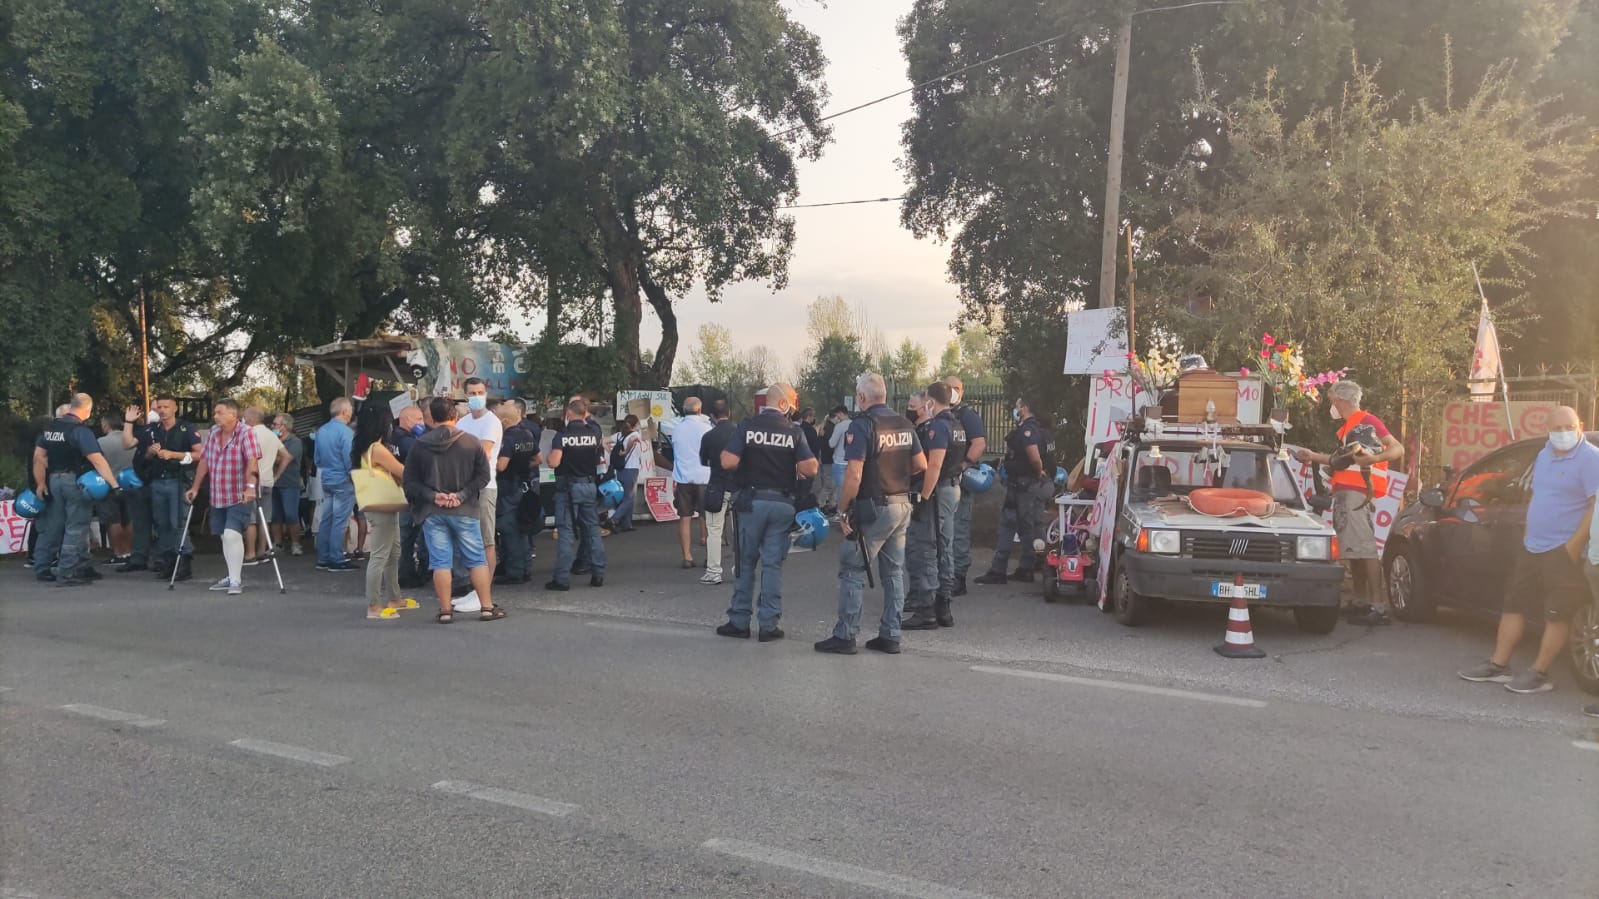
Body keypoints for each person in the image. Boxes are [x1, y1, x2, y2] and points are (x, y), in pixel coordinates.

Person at [1458, 406, 1598, 694]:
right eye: (1556, 428)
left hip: (1563, 550)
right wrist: (1527, 533)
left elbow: (1595, 507)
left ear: (1580, 425)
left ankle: (1540, 673)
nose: (1562, 434)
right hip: (1532, 546)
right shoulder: (1544, 454)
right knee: (1513, 604)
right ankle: (1499, 665)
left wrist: (1571, 548)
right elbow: (1538, 495)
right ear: (1547, 429)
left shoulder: (1591, 460)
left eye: (1568, 427)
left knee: (1557, 613)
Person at [816, 373, 926, 656]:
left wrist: (844, 510)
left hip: (874, 507)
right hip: (902, 504)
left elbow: (854, 473)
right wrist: (896, 474)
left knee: (852, 567)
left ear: (863, 398)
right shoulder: (904, 423)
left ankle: (846, 635)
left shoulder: (863, 425)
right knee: (893, 571)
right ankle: (891, 635)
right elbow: (921, 464)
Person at [1293, 380, 1404, 625]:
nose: (1330, 405)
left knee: (1364, 549)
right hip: (1349, 492)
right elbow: (1339, 461)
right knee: (1354, 549)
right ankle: (1361, 600)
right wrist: (1312, 456)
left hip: (1358, 493)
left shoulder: (1367, 421)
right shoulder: (1349, 428)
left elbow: (1396, 448)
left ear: (1341, 400)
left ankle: (1377, 605)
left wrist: (1375, 458)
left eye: (1332, 400)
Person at [403, 397, 504, 623]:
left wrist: (433, 496)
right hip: (465, 510)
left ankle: (445, 610)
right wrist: (461, 495)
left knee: (440, 562)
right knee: (477, 559)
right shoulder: (471, 442)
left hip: (433, 511)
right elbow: (483, 476)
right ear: (455, 417)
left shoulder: (420, 444)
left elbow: (409, 481)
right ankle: (486, 607)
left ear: (432, 418)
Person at [32, 393, 124, 586]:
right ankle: (67, 572)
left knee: (55, 525)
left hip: (54, 480)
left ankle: (64, 566)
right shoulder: (80, 430)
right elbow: (96, 459)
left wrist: (41, 483)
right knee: (77, 526)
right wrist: (114, 484)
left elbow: (38, 456)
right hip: (75, 481)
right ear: (88, 410)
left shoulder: (50, 428)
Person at [902, 382, 964, 630]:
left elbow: (934, 465)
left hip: (938, 492)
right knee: (944, 547)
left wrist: (924, 497)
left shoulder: (938, 426)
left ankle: (927, 609)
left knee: (928, 547)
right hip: (952, 488)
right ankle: (943, 607)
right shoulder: (957, 425)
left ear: (931, 401)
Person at [184, 399, 262, 595]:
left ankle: (236, 580)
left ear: (233, 415)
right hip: (218, 493)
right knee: (224, 536)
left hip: (239, 493)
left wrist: (251, 487)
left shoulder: (246, 432)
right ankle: (231, 575)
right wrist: (195, 486)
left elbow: (252, 461)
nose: (215, 416)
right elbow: (204, 460)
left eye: (219, 412)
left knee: (231, 534)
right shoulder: (213, 433)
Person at [975, 396, 1050, 585]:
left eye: (1017, 407)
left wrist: (1038, 470)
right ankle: (1026, 567)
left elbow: (1034, 457)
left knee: (1009, 525)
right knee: (1026, 527)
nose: (1016, 410)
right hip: (1023, 485)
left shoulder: (1028, 430)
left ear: (1024, 408)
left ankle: (1000, 569)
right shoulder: (1035, 428)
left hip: (1022, 485)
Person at [352, 404, 415, 620]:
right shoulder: (377, 449)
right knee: (380, 554)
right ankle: (374, 606)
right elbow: (402, 471)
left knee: (393, 551)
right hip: (382, 507)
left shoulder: (366, 447)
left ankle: (395, 597)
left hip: (385, 505)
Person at [545, 397, 606, 591]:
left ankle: (561, 579)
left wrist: (550, 457)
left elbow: (554, 462)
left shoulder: (562, 435)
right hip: (589, 485)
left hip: (568, 489)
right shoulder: (593, 434)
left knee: (566, 533)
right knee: (593, 530)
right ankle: (598, 574)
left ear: (569, 414)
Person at [146, 394, 203, 582]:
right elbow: (144, 457)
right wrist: (150, 452)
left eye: (166, 407)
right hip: (158, 480)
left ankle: (184, 562)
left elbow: (200, 454)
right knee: (161, 523)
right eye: (159, 407)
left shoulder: (186, 428)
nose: (162, 410)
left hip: (178, 479)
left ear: (175, 408)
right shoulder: (154, 429)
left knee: (178, 521)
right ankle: (168, 561)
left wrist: (174, 455)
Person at [455, 377, 504, 581]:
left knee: (486, 540)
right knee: (466, 538)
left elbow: (484, 452)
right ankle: (471, 583)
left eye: (480, 393)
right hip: (463, 486)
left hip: (484, 486)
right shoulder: (462, 422)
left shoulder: (491, 421)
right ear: (466, 395)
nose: (476, 397)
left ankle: (485, 588)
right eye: (472, 393)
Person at [943, 376, 987, 595]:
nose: (951, 391)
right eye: (948, 388)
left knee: (959, 529)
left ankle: (958, 576)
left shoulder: (967, 415)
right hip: (943, 480)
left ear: (962, 391)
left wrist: (964, 465)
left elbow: (979, 443)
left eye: (955, 388)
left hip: (961, 480)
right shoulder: (942, 414)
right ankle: (946, 574)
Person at [493, 402, 542, 585]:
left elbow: (501, 465)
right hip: (524, 484)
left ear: (504, 420)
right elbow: (539, 459)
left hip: (508, 487)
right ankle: (526, 568)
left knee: (509, 530)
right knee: (522, 529)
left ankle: (514, 571)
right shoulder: (527, 434)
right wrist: (522, 466)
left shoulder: (508, 438)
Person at [241, 407, 291, 566]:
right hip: (268, 480)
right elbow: (287, 456)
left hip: (252, 480)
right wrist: (277, 475)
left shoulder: (248, 434)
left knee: (250, 519)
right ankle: (261, 551)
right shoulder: (271, 434)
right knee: (265, 518)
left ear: (250, 419)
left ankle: (250, 554)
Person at [314, 397, 358, 572]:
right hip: (343, 480)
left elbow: (317, 458)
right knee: (340, 521)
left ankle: (323, 557)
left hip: (327, 478)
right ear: (345, 411)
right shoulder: (346, 433)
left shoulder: (322, 431)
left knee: (327, 518)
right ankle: (336, 558)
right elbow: (350, 459)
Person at [699, 399, 740, 588]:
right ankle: (740, 569)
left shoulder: (709, 436)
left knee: (714, 530)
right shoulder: (741, 433)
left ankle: (714, 571)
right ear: (729, 413)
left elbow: (703, 461)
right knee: (740, 531)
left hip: (717, 486)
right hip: (739, 487)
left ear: (712, 417)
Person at [115, 404, 159, 572]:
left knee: (162, 523)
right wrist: (129, 422)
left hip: (161, 481)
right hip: (140, 481)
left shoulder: (175, 429)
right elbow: (127, 444)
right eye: (155, 407)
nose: (156, 410)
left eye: (161, 406)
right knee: (140, 522)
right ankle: (139, 557)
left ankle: (162, 559)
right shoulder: (145, 430)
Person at [671, 396, 712, 568]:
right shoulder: (706, 429)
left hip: (683, 478)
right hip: (704, 477)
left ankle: (687, 556)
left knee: (685, 518)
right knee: (708, 518)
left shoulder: (677, 429)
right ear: (700, 410)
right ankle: (710, 555)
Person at [394, 404, 430, 584]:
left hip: (396, 490)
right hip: (412, 493)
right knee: (414, 533)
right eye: (418, 420)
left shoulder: (391, 438)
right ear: (407, 420)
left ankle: (403, 571)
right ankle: (411, 572)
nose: (421, 423)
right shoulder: (409, 442)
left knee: (403, 535)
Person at [98, 414, 137, 563]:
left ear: (106, 425)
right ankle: (128, 551)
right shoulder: (131, 439)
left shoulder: (101, 442)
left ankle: (118, 553)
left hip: (109, 485)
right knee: (128, 519)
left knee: (113, 520)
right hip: (130, 483)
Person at [269, 413, 306, 557]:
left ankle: (296, 544)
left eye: (275, 424)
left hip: (290, 483)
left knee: (291, 514)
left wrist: (272, 455)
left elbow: (283, 459)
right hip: (274, 484)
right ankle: (278, 544)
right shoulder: (273, 440)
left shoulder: (295, 442)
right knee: (275, 515)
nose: (273, 427)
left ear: (285, 426)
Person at [610, 415, 647, 533]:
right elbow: (632, 441)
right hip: (631, 469)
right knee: (629, 498)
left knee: (625, 497)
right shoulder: (635, 434)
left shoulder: (620, 435)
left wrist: (609, 450)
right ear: (636, 424)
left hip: (621, 469)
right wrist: (626, 451)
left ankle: (626, 523)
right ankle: (613, 520)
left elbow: (604, 441)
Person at [825, 406, 851, 513]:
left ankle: (840, 513)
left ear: (840, 413)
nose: (836, 418)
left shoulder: (839, 426)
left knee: (840, 489)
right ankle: (850, 512)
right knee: (850, 489)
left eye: (836, 415)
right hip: (851, 461)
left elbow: (832, 443)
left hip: (839, 461)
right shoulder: (854, 424)